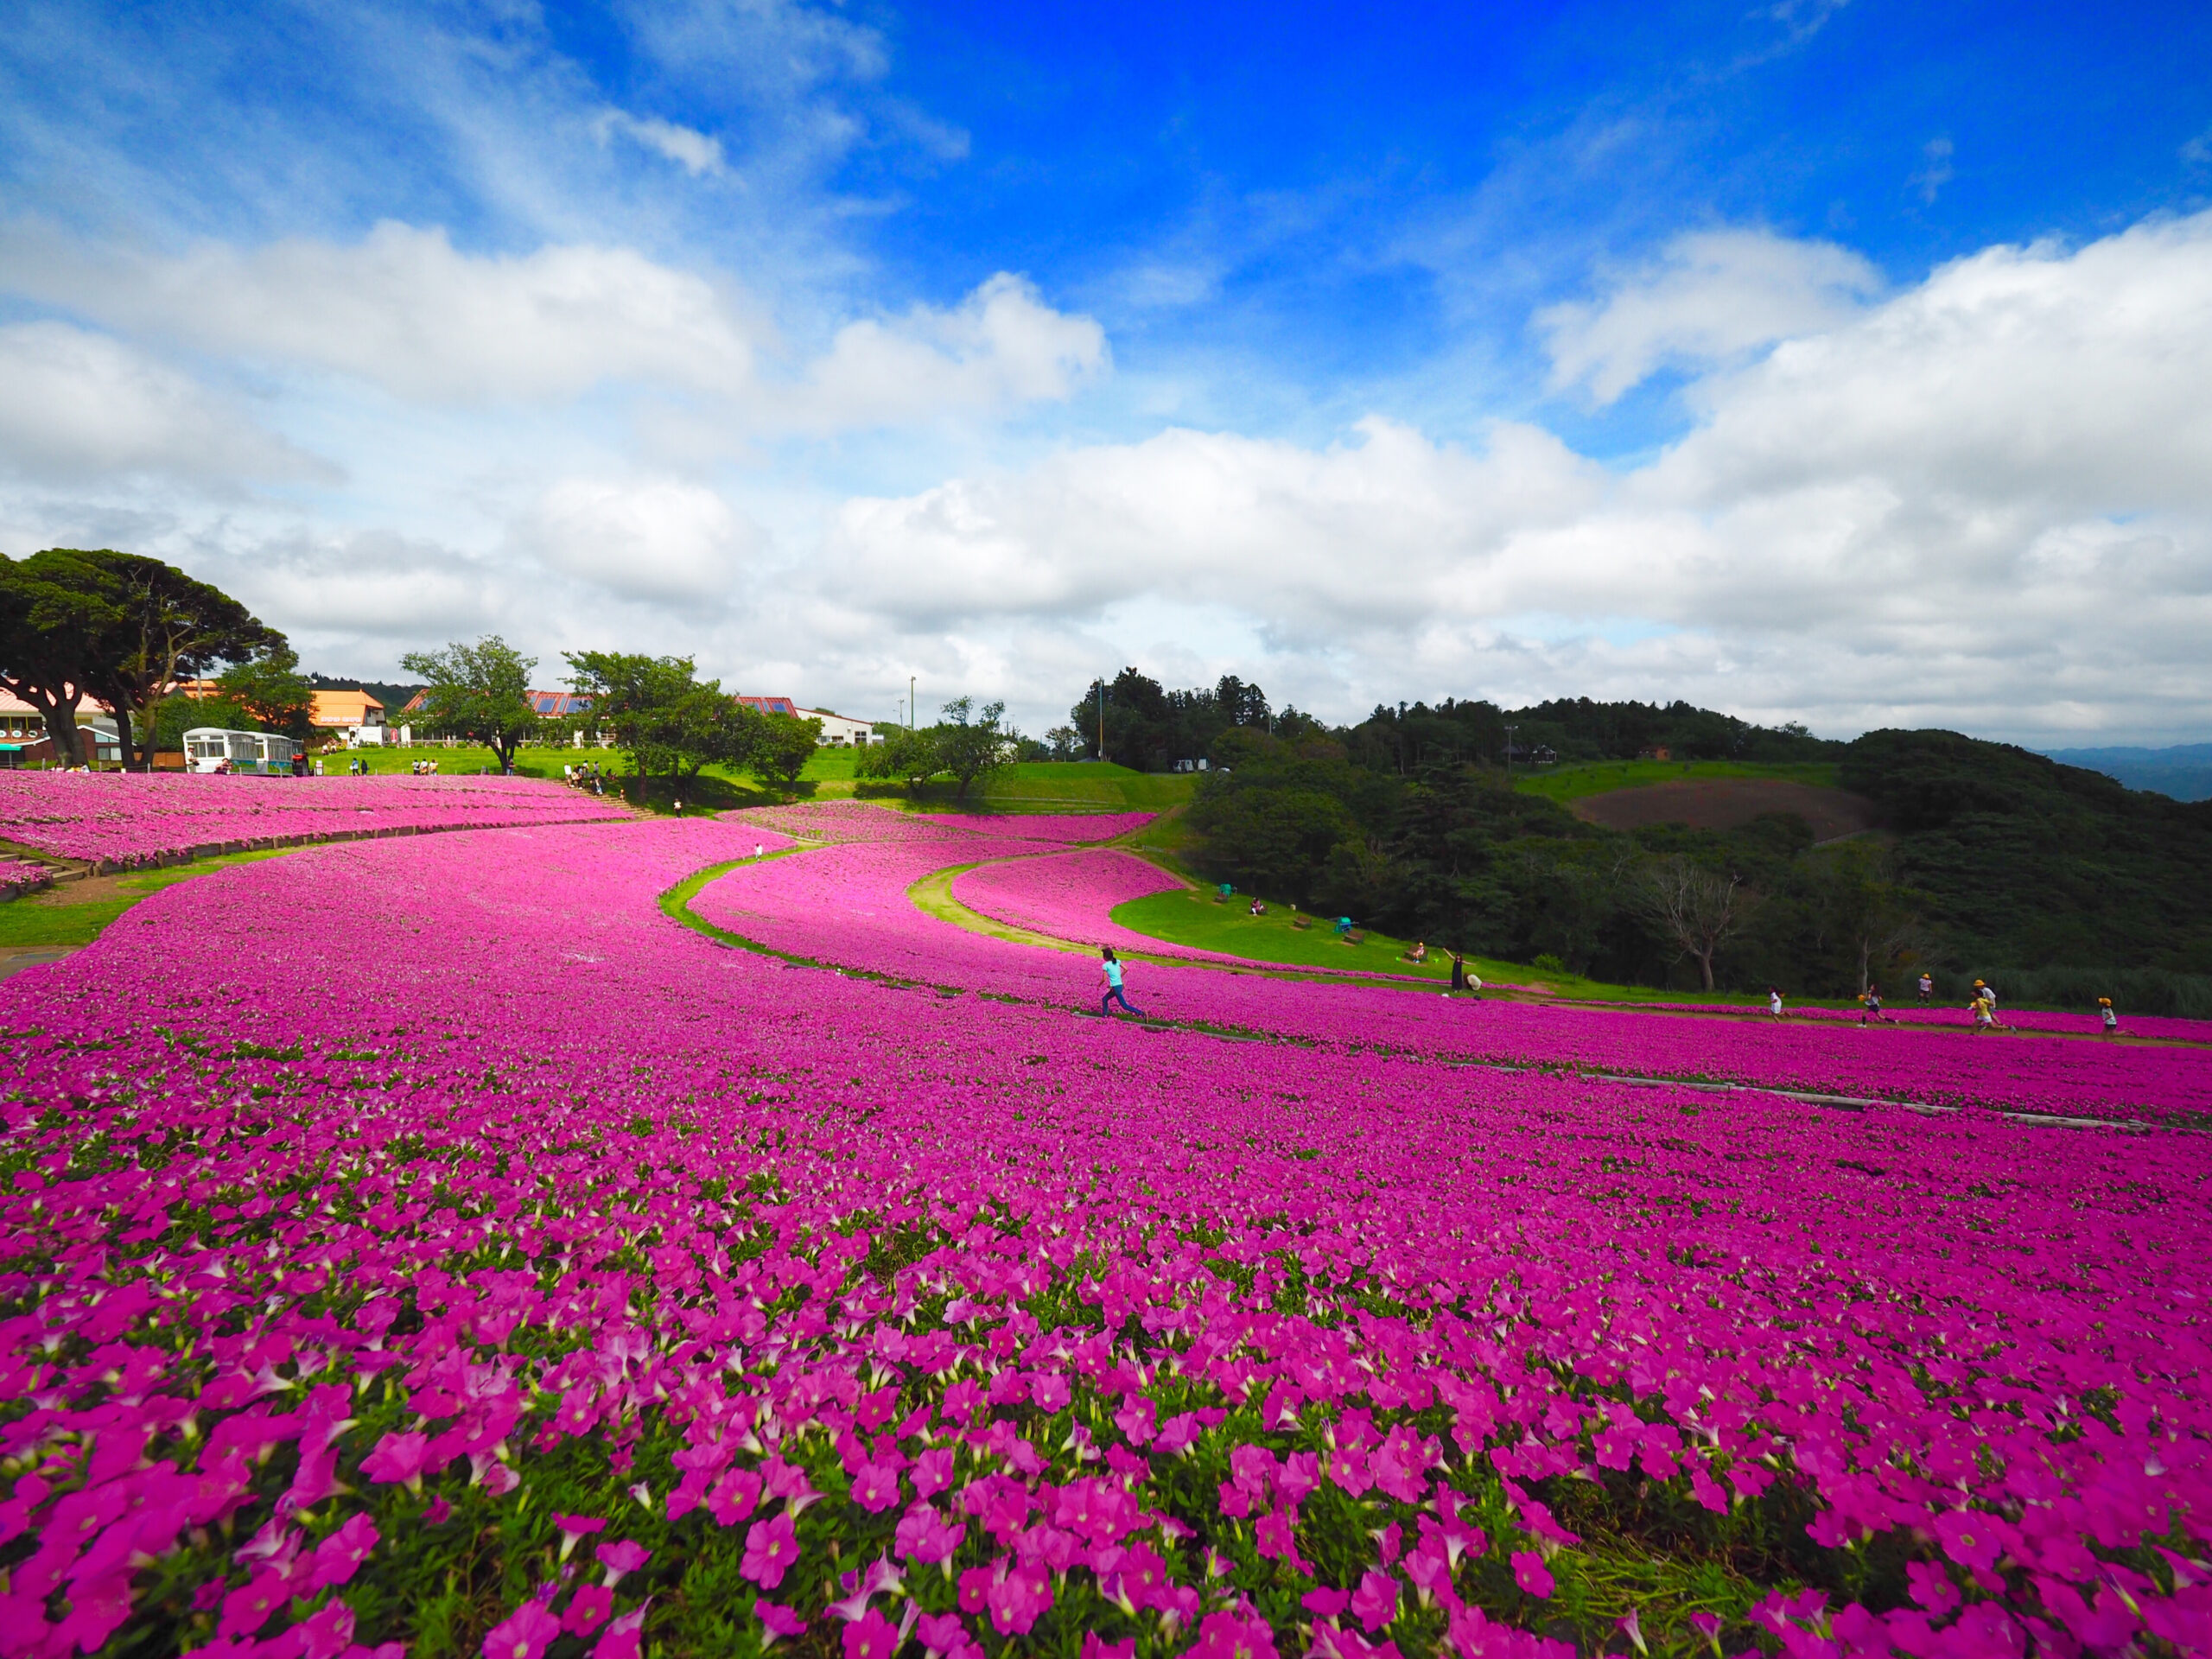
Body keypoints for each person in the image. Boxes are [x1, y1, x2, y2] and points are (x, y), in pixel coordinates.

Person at [1100, 947, 1145, 1018]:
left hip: (1116, 988)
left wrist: (1099, 985)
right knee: (1104, 999)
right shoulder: (1117, 961)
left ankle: (1141, 1013)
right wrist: (1119, 977)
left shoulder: (1105, 965)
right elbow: (1126, 969)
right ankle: (1104, 1015)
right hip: (1120, 986)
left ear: (1105, 957)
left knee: (1124, 1006)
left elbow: (1104, 979)